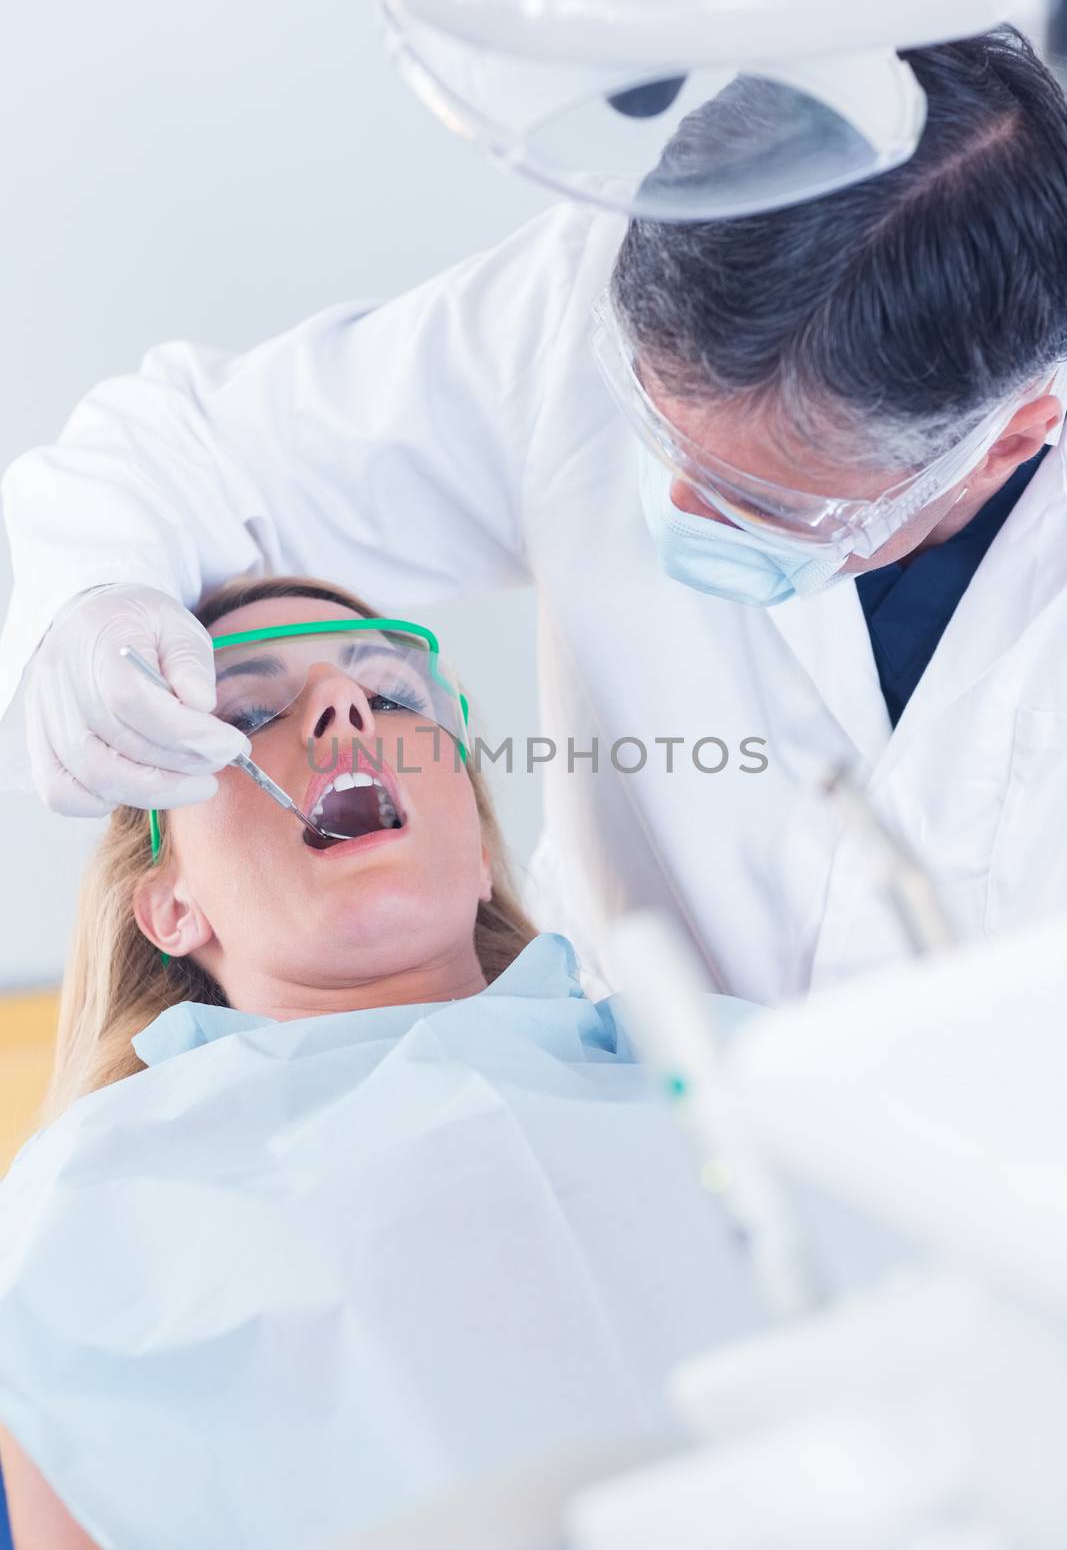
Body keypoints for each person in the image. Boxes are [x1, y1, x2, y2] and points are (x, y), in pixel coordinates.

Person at [3, 28, 1067, 1004]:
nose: (674, 507)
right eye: (654, 434)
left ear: (1010, 440)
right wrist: (87, 602)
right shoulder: (565, 310)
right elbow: (177, 456)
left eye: (762, 499)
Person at [0, 574, 764, 1550]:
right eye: (250, 710)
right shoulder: (82, 1226)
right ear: (170, 907)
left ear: (482, 856)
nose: (342, 705)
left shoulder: (742, 1067)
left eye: (397, 695)